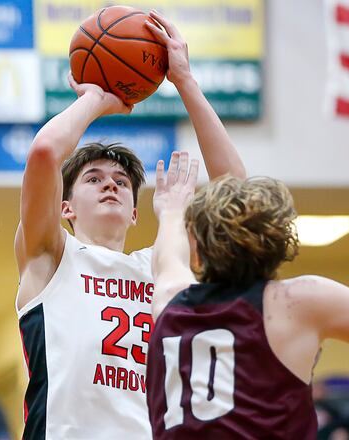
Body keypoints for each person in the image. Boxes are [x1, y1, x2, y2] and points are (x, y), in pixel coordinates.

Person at [14, 11, 245, 440]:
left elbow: (237, 195)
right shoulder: (50, 256)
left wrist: (186, 83)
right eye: (94, 179)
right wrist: (98, 99)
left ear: (136, 212)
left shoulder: (161, 267)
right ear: (65, 208)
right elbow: (45, 152)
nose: (111, 187)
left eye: (121, 182)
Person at [146, 161, 349, 438]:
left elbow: (170, 259)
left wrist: (172, 211)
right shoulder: (295, 301)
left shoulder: (168, 300)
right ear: (281, 241)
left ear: (198, 251)